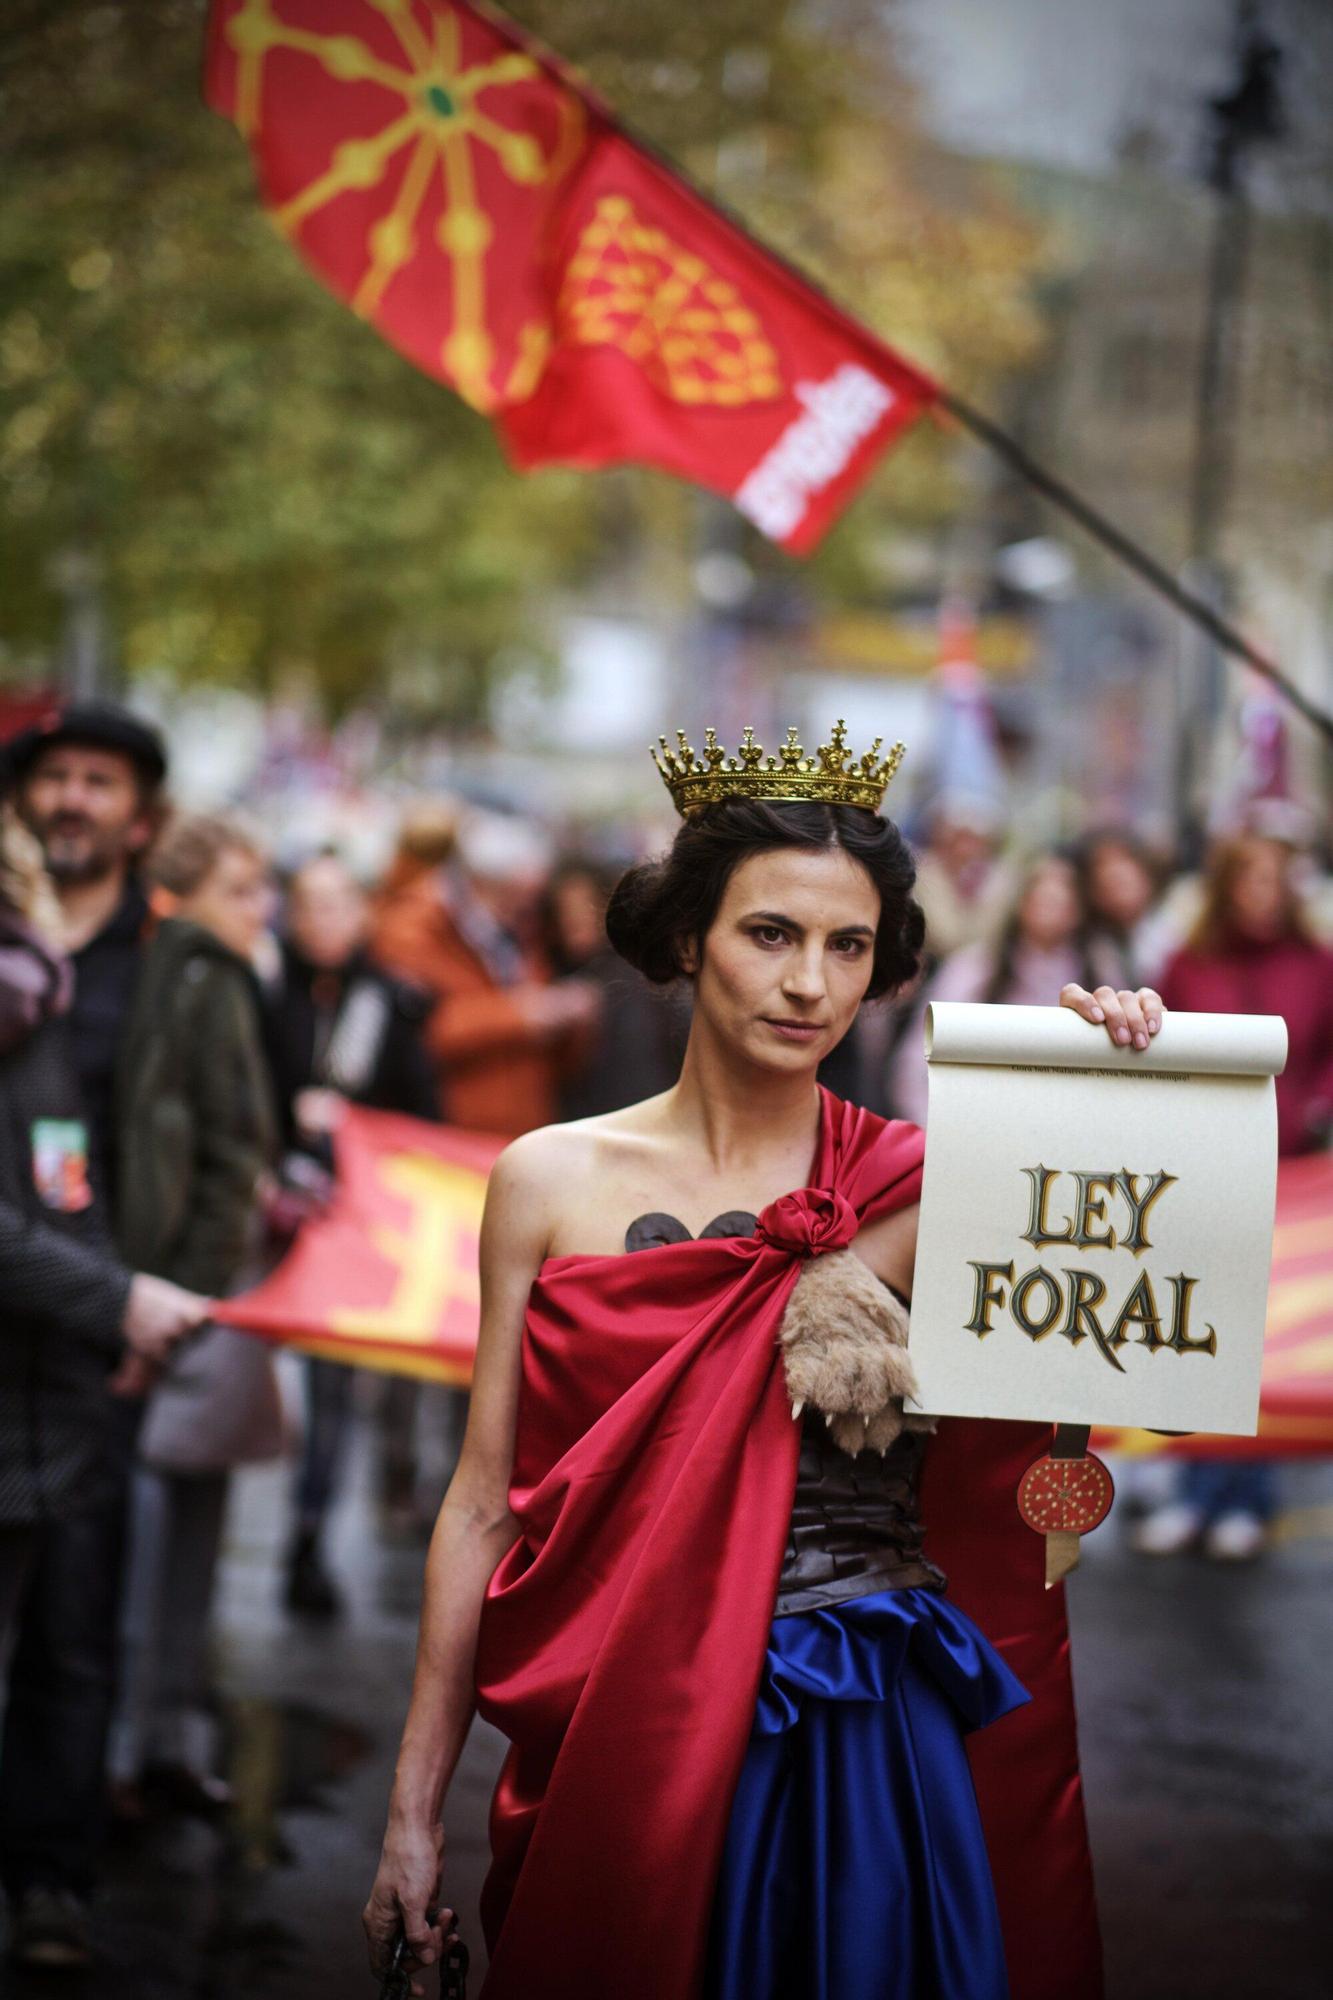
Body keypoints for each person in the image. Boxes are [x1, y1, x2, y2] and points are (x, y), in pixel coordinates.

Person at [362, 721, 1164, 2000]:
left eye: (848, 945)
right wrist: (411, 1815)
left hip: (861, 1726)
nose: (810, 983)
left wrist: (1115, 1074)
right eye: (770, 933)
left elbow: (1117, 1287)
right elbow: (479, 1504)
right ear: (688, 937)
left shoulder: (930, 1179)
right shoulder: (546, 1179)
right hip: (621, 1727)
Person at [1, 702, 191, 1968]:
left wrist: (148, 1310)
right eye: (50, 779)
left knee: (75, 1622)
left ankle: (51, 1878)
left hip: (90, 1349)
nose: (71, 798)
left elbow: (214, 1152)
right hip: (61, 1304)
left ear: (142, 812)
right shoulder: (20, 960)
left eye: (96, 779)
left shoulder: (181, 963)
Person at [107, 813, 282, 1815]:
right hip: (186, 1290)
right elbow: (217, 1143)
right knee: (156, 1528)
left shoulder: (192, 967)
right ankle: (140, 1746)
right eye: (243, 887)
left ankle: (153, 1739)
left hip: (180, 1286)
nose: (263, 907)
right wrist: (181, 1294)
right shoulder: (204, 972)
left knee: (176, 1517)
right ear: (186, 893)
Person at [1132, 830, 1333, 1561]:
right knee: (1194, 1333)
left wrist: (1316, 1106)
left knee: (1260, 1341)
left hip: (1291, 1178)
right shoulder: (1188, 965)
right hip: (1206, 1173)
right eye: (1248, 881)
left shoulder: (1317, 965)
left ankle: (1247, 1499)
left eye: (1274, 882)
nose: (1261, 896)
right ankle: (1190, 1488)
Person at [264, 850, 438, 1615]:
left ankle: (308, 1541)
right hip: (270, 1218)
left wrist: (353, 1127)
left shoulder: (394, 1003)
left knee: (332, 1393)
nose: (323, 921)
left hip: (357, 1231)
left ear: (362, 912)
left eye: (338, 905)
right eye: (309, 905)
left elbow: (425, 1125)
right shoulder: (267, 995)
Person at [372, 809, 598, 1137]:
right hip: (449, 1133)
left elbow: (562, 1059)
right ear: (485, 884)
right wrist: (520, 1014)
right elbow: (414, 1035)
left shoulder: (522, 927)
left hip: (524, 1128)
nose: (527, 907)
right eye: (516, 894)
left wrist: (568, 1017)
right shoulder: (412, 928)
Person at [888, 850, 1120, 1125]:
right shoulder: (975, 969)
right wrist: (940, 1135)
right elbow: (916, 1064)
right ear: (1020, 900)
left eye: (1064, 894)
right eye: (1041, 892)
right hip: (980, 1127)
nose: (1052, 902)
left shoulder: (1101, 970)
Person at [540, 854, 685, 1120]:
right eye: (565, 912)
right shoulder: (549, 972)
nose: (574, 921)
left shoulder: (633, 978)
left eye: (584, 909)